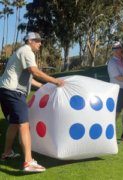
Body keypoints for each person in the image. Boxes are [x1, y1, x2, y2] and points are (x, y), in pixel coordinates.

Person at [0, 32, 65, 172]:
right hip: (13, 92)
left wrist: (43, 86)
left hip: (6, 90)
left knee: (15, 123)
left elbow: (29, 78)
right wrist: (56, 81)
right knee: (24, 124)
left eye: (40, 41)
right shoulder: (26, 51)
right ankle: (28, 162)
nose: (40, 43)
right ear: (29, 40)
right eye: (37, 41)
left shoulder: (23, 52)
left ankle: (6, 152)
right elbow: (35, 72)